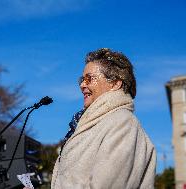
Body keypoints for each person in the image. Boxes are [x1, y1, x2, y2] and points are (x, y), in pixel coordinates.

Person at [25, 48, 156, 189]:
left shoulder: (122, 123)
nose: (82, 85)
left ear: (115, 83)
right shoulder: (91, 125)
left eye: (89, 78)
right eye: (82, 79)